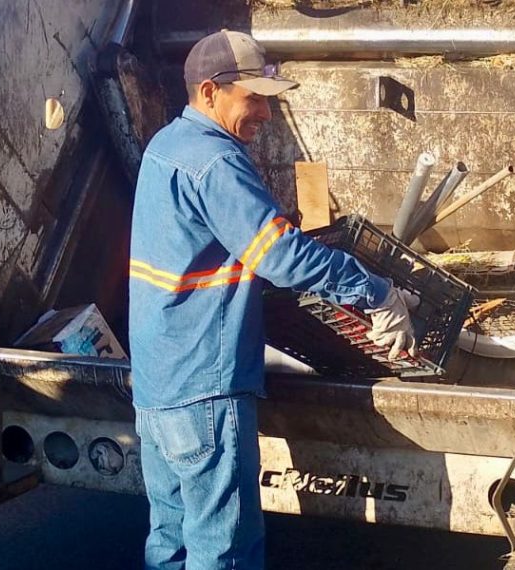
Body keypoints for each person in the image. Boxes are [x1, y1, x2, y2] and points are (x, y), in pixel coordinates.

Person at [128, 30, 418, 569]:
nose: (264, 113)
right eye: (253, 97)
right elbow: (281, 256)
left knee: (171, 540)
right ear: (210, 92)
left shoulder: (166, 145)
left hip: (158, 380)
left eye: (268, 99)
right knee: (223, 549)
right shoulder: (215, 161)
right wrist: (376, 293)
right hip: (203, 385)